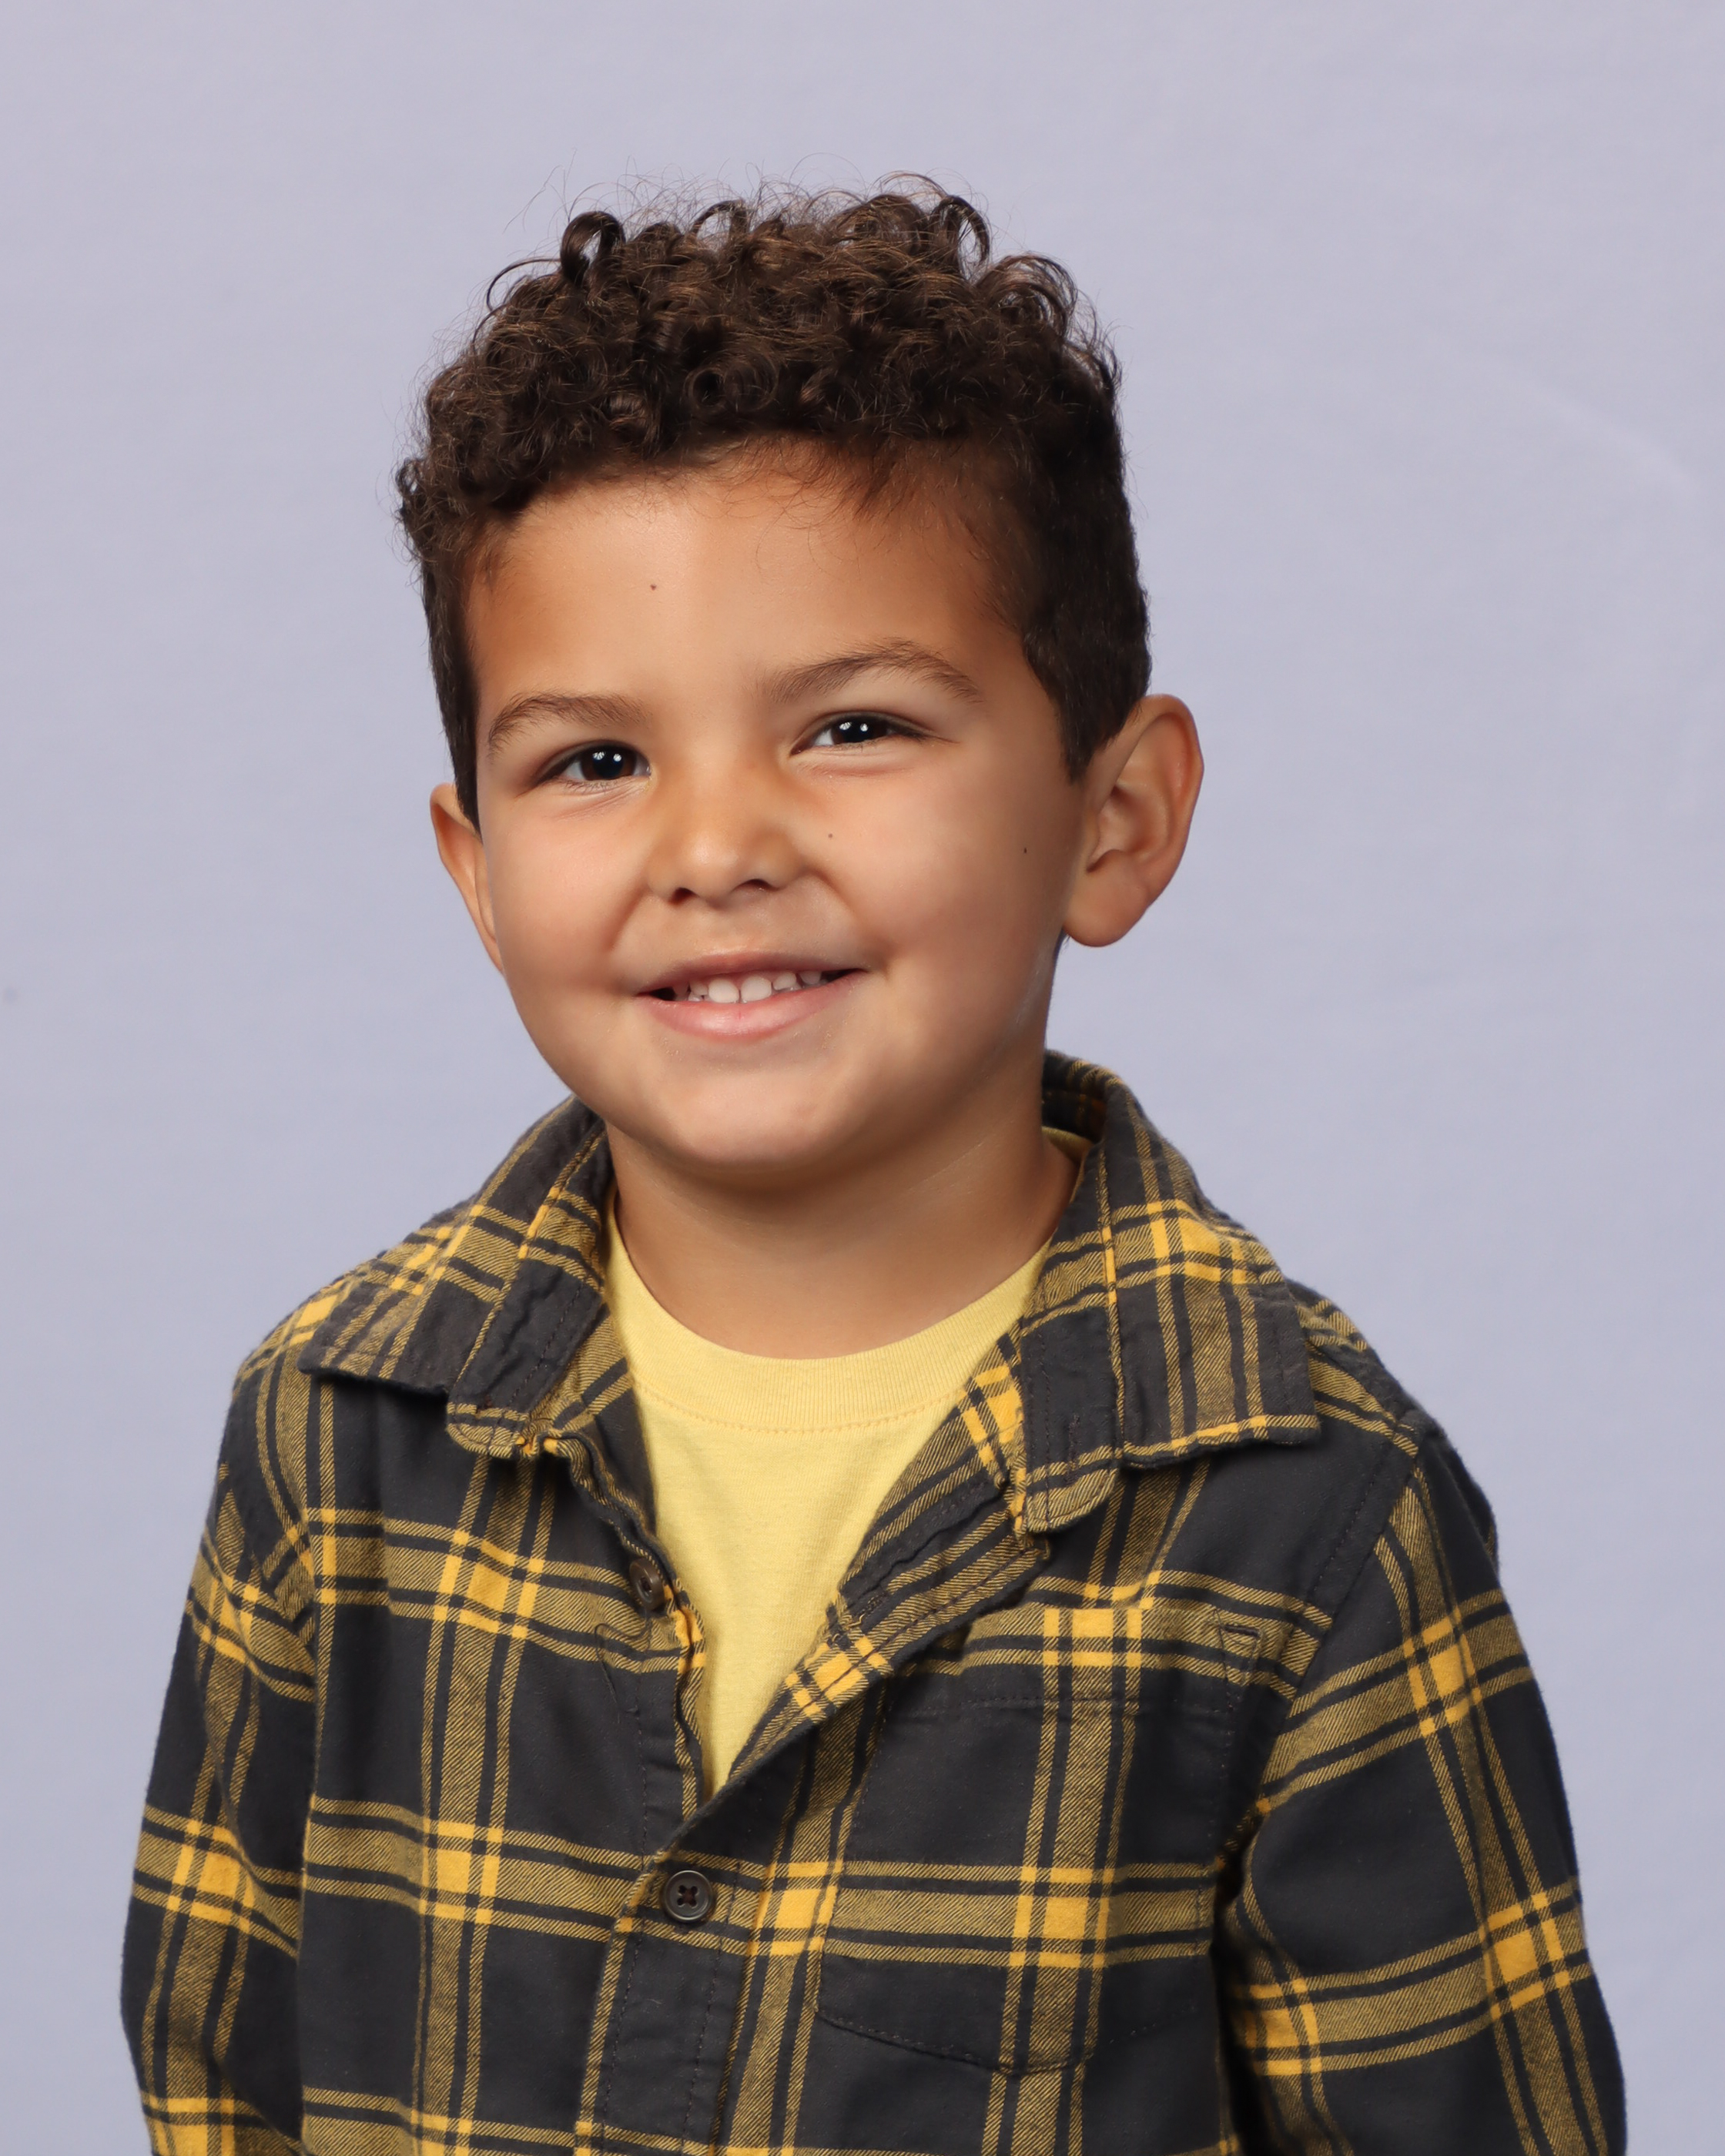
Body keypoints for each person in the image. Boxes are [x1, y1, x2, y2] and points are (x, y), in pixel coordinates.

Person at [121, 186, 1624, 2155]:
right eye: (593, 760)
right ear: (476, 871)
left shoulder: (1309, 1516)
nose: (716, 846)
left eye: (851, 724)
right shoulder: (333, 1437)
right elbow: (218, 2078)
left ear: (1115, 817)